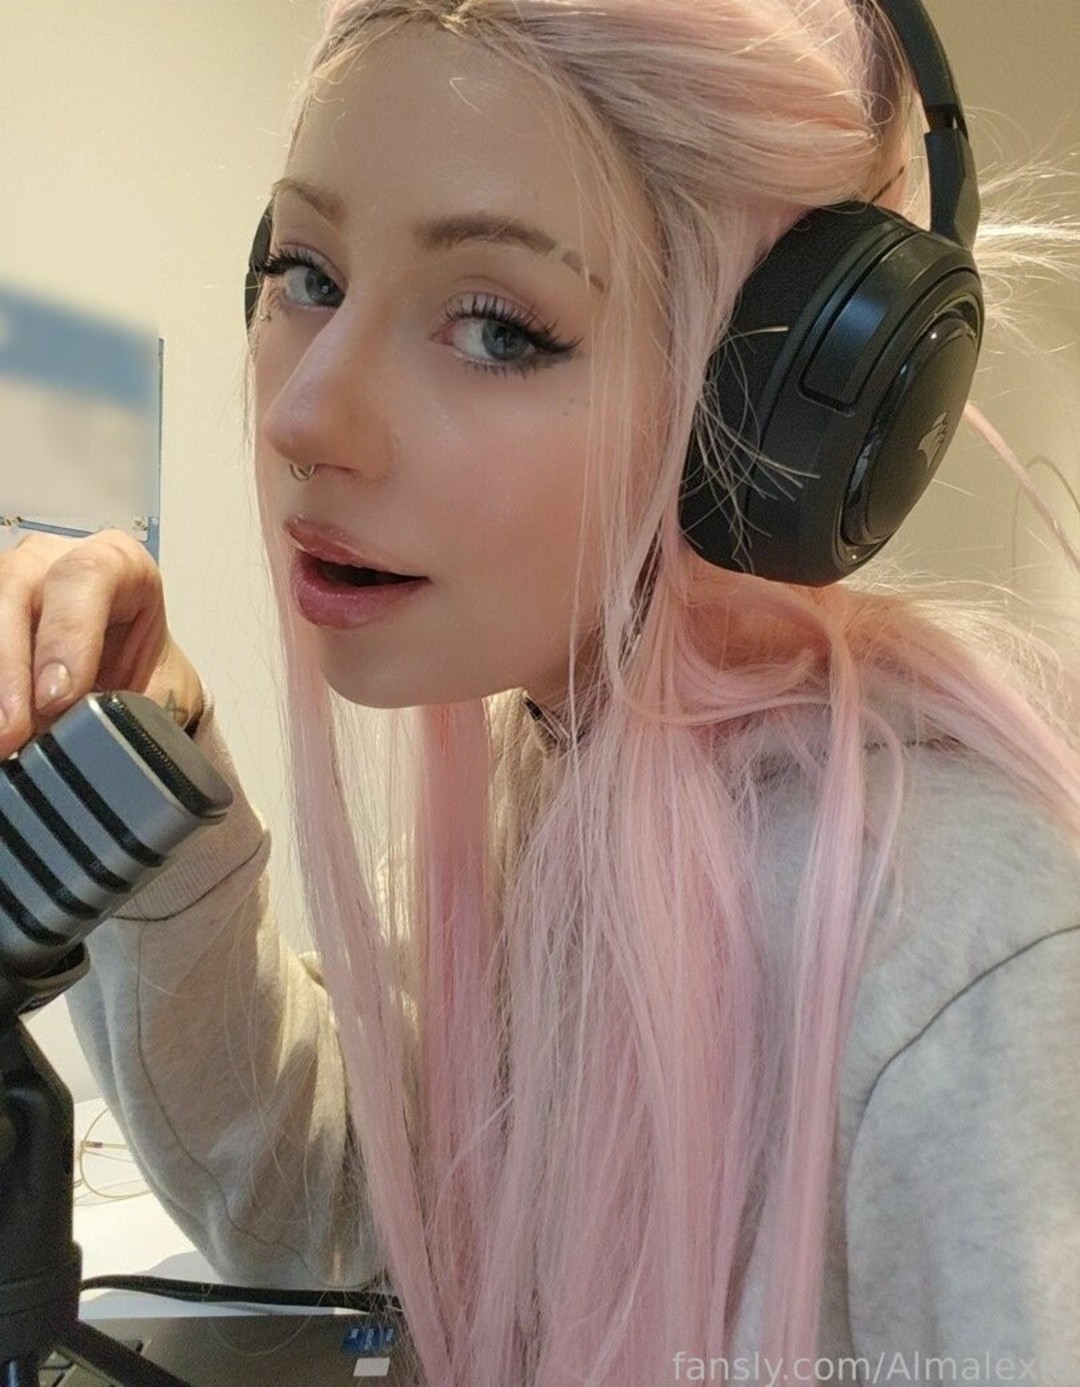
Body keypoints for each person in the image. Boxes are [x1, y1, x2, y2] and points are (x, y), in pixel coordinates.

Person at [2, 1, 1078, 1383]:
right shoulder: (556, 770)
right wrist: (149, 777)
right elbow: (343, 1217)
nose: (301, 415)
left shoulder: (960, 943)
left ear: (775, 404)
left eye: (500, 330)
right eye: (306, 273)